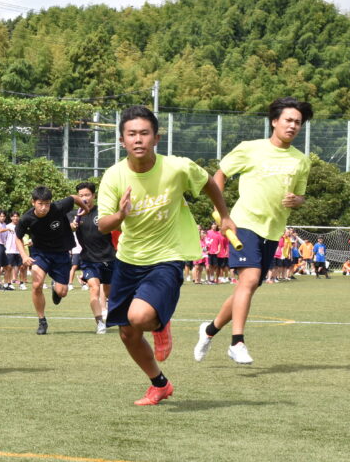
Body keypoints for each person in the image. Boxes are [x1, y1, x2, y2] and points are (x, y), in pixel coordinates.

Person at [99, 105, 235, 406]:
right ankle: (159, 384)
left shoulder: (177, 167)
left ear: (156, 138)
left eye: (144, 133)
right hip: (128, 259)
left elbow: (209, 183)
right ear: (122, 140)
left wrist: (224, 215)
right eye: (131, 134)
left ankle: (160, 322)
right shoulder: (113, 176)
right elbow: (102, 224)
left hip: (167, 256)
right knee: (127, 333)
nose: (138, 140)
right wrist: (120, 215)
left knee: (140, 317)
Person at [195, 96, 312, 366]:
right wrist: (220, 211)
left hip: (273, 231)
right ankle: (237, 342)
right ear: (274, 121)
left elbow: (301, 195)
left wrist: (298, 200)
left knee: (247, 288)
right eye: (288, 120)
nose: (293, 126)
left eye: (298, 122)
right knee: (249, 280)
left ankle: (209, 330)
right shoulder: (250, 148)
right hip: (244, 223)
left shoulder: (301, 161)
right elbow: (220, 175)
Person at [14, 186, 85, 335]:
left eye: (47, 203)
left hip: (61, 254)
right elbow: (18, 238)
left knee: (62, 292)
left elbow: (75, 198)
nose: (44, 207)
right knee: (37, 284)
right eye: (40, 204)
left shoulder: (59, 207)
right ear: (33, 202)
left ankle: (55, 287)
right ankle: (42, 321)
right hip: (41, 254)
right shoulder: (26, 218)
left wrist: (85, 210)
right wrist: (24, 256)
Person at [72, 181, 116, 334]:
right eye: (81, 195)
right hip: (89, 260)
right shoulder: (75, 215)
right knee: (94, 289)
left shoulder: (103, 211)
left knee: (109, 290)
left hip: (109, 257)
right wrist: (73, 223)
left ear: (94, 196)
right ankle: (100, 323)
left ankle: (109, 305)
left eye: (87, 195)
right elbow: (69, 228)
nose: (84, 198)